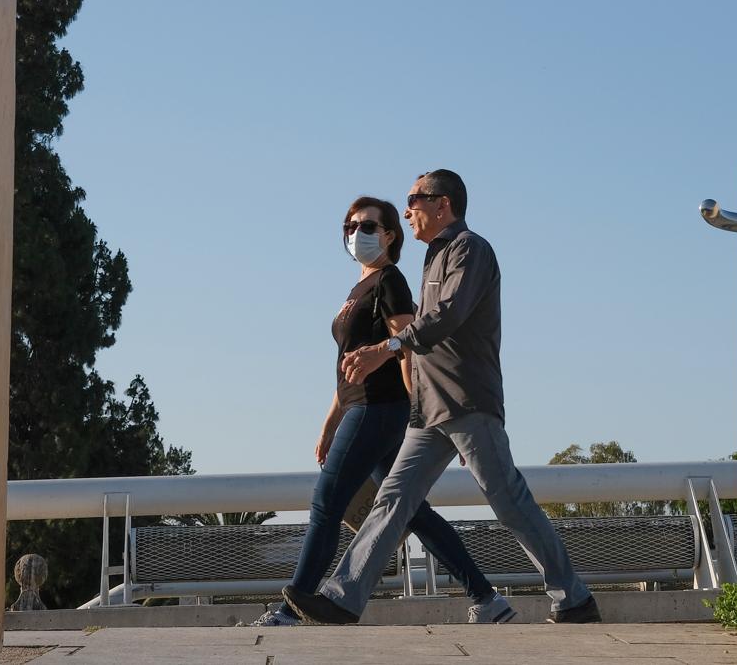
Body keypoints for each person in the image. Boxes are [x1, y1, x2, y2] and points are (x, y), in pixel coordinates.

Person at [284, 170, 600, 625]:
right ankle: (341, 599)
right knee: (392, 499)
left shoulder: (471, 249)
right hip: (428, 409)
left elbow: (447, 316)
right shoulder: (433, 256)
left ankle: (574, 599)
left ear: (443, 204)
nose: (407, 208)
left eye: (415, 198)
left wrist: (387, 347)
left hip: (467, 401)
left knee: (508, 501)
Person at [253, 196, 514, 626]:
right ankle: (487, 599)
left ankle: (291, 610)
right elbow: (350, 365)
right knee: (412, 510)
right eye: (351, 226)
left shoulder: (390, 280)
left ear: (390, 235)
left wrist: (422, 414)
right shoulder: (358, 288)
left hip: (381, 409)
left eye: (369, 226)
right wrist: (328, 426)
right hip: (360, 408)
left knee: (326, 504)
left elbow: (407, 354)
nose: (357, 233)